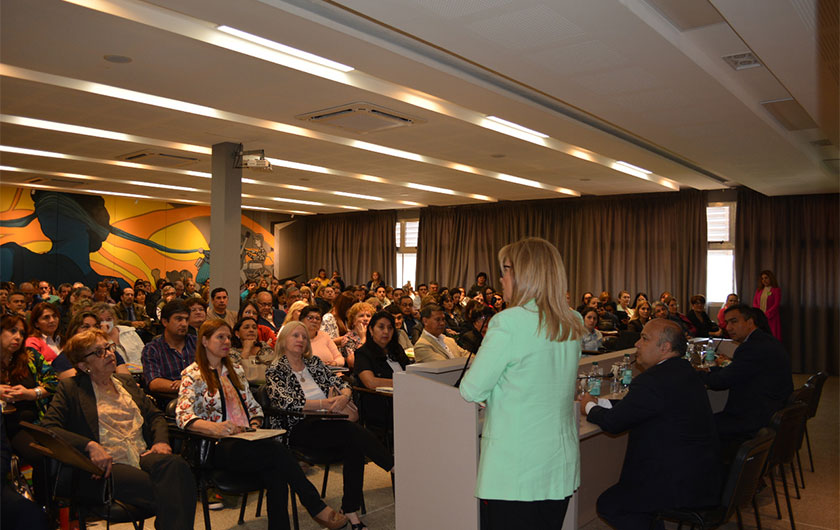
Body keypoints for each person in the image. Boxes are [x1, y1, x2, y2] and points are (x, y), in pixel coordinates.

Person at [460, 237, 584, 529]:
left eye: (504, 270)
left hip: (515, 470)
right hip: (558, 465)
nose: (501, 278)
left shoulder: (509, 322)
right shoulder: (573, 321)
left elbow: (471, 389)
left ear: (523, 274)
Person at [176, 319, 347, 530]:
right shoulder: (192, 375)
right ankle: (316, 507)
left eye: (229, 337)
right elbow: (183, 416)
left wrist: (255, 425)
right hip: (217, 446)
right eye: (220, 337)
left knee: (276, 469)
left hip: (246, 441)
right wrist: (215, 428)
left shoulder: (235, 371)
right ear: (204, 341)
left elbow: (255, 408)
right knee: (278, 453)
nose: (227, 341)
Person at [41, 328, 197, 529]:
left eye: (109, 348)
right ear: (83, 365)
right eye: (99, 352)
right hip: (106, 465)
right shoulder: (71, 388)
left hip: (141, 453)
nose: (109, 354)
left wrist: (160, 441)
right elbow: (48, 427)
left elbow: (155, 416)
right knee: (173, 491)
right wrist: (89, 446)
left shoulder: (126, 382)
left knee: (177, 466)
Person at [580, 319, 720, 530]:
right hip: (699, 475)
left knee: (611, 504)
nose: (637, 343)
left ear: (665, 347)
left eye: (644, 338)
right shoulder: (684, 371)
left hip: (674, 482)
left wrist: (589, 407)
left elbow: (613, 423)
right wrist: (600, 402)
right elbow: (640, 405)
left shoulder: (652, 380)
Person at [265, 322, 393, 530]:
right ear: (283, 340)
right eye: (295, 336)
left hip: (328, 423)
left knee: (354, 445)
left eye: (304, 337)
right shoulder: (276, 369)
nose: (301, 340)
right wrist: (324, 404)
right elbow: (285, 402)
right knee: (351, 432)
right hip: (298, 428)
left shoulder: (314, 363)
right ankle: (393, 465)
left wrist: (343, 397)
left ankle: (350, 510)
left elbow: (343, 383)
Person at [698, 304, 793, 455]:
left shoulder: (751, 347)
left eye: (734, 321)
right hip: (774, 407)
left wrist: (696, 374)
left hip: (756, 416)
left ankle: (715, 469)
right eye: (727, 323)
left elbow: (720, 382)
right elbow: (737, 371)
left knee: (699, 424)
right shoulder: (765, 340)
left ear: (750, 322)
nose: (728, 328)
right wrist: (711, 370)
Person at [1, 313, 59, 506]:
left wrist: (31, 393)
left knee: (44, 456)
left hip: (24, 424)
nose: (17, 337)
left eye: (21, 333)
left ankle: (45, 511)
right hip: (3, 425)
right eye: (12, 331)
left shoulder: (30, 356)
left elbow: (53, 382)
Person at [353, 311, 411, 430]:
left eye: (390, 328)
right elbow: (370, 382)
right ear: (371, 330)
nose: (386, 332)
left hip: (406, 397)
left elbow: (409, 373)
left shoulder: (396, 349)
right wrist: (403, 383)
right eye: (381, 327)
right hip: (381, 403)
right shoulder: (363, 353)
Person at [141, 300, 196, 399]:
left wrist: (185, 384)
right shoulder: (152, 349)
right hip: (169, 402)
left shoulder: (197, 343)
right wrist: (186, 386)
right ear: (165, 322)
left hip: (200, 398)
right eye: (179, 319)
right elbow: (154, 383)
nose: (184, 324)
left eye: (186, 320)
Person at [339, 302, 374, 369]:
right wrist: (363, 338)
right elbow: (352, 363)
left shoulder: (374, 335)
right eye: (361, 316)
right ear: (353, 321)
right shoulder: (348, 338)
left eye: (368, 316)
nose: (365, 319)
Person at [752, 269, 781, 341]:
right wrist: (759, 314)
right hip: (760, 318)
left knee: (772, 336)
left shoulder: (776, 290)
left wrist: (767, 314)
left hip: (771, 318)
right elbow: (755, 303)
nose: (764, 280)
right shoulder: (759, 290)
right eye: (762, 278)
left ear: (770, 278)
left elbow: (776, 304)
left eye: (766, 278)